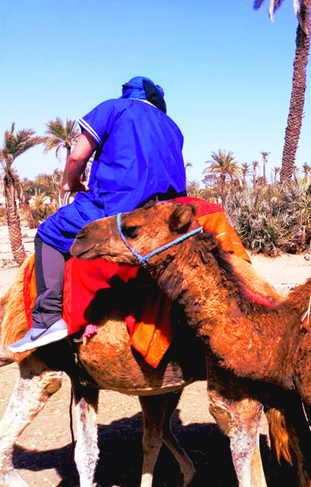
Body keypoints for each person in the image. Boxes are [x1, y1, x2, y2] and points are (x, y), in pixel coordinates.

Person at [10, 76, 187, 353]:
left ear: (128, 93)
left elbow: (77, 156)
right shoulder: (173, 127)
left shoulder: (115, 108)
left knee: (47, 232)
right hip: (165, 212)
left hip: (116, 206)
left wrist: (70, 182)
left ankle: (47, 319)